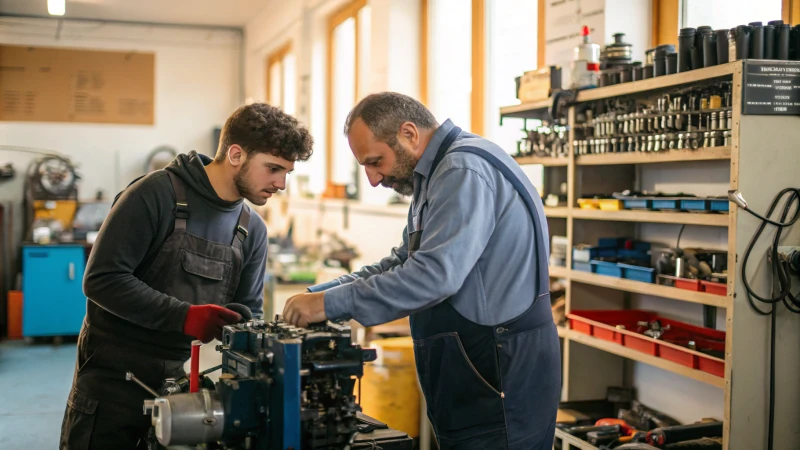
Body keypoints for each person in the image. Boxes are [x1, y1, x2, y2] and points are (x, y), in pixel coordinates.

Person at [283, 92, 560, 449]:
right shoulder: (437, 175)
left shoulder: (462, 170)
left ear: (409, 134)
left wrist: (330, 305)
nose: (372, 179)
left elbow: (434, 275)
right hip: (476, 371)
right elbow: (403, 261)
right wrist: (322, 294)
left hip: (499, 374)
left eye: (375, 161)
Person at [60, 103, 313, 450]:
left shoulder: (252, 230)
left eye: (287, 172)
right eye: (273, 169)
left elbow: (247, 311)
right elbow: (102, 279)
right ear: (236, 154)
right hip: (110, 381)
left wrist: (241, 324)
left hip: (179, 385)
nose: (281, 184)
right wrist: (186, 316)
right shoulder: (154, 194)